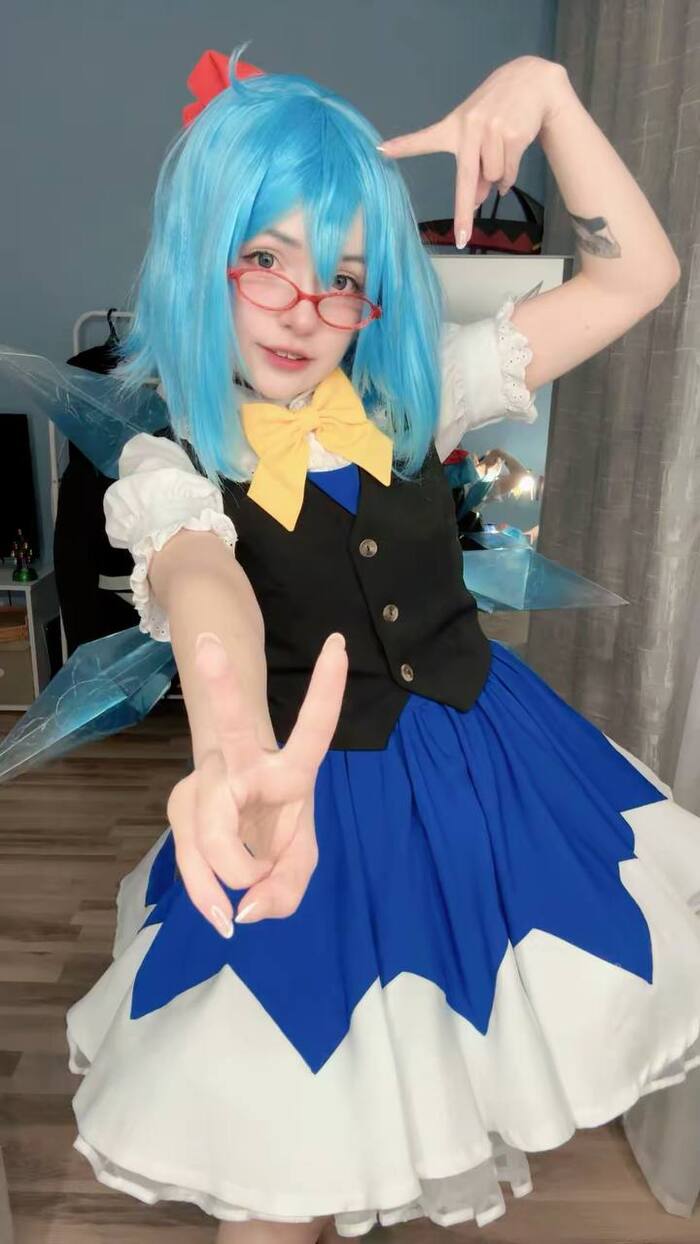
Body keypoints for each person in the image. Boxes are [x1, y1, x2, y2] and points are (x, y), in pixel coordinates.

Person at [63, 45, 699, 1243]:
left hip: (482, 773)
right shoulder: (170, 468)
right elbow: (206, 587)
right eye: (266, 259)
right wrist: (232, 739)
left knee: (441, 1072)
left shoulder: (420, 395)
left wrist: (552, 95)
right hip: (310, 807)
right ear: (200, 257)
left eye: (344, 277)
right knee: (285, 1155)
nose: (307, 309)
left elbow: (638, 277)